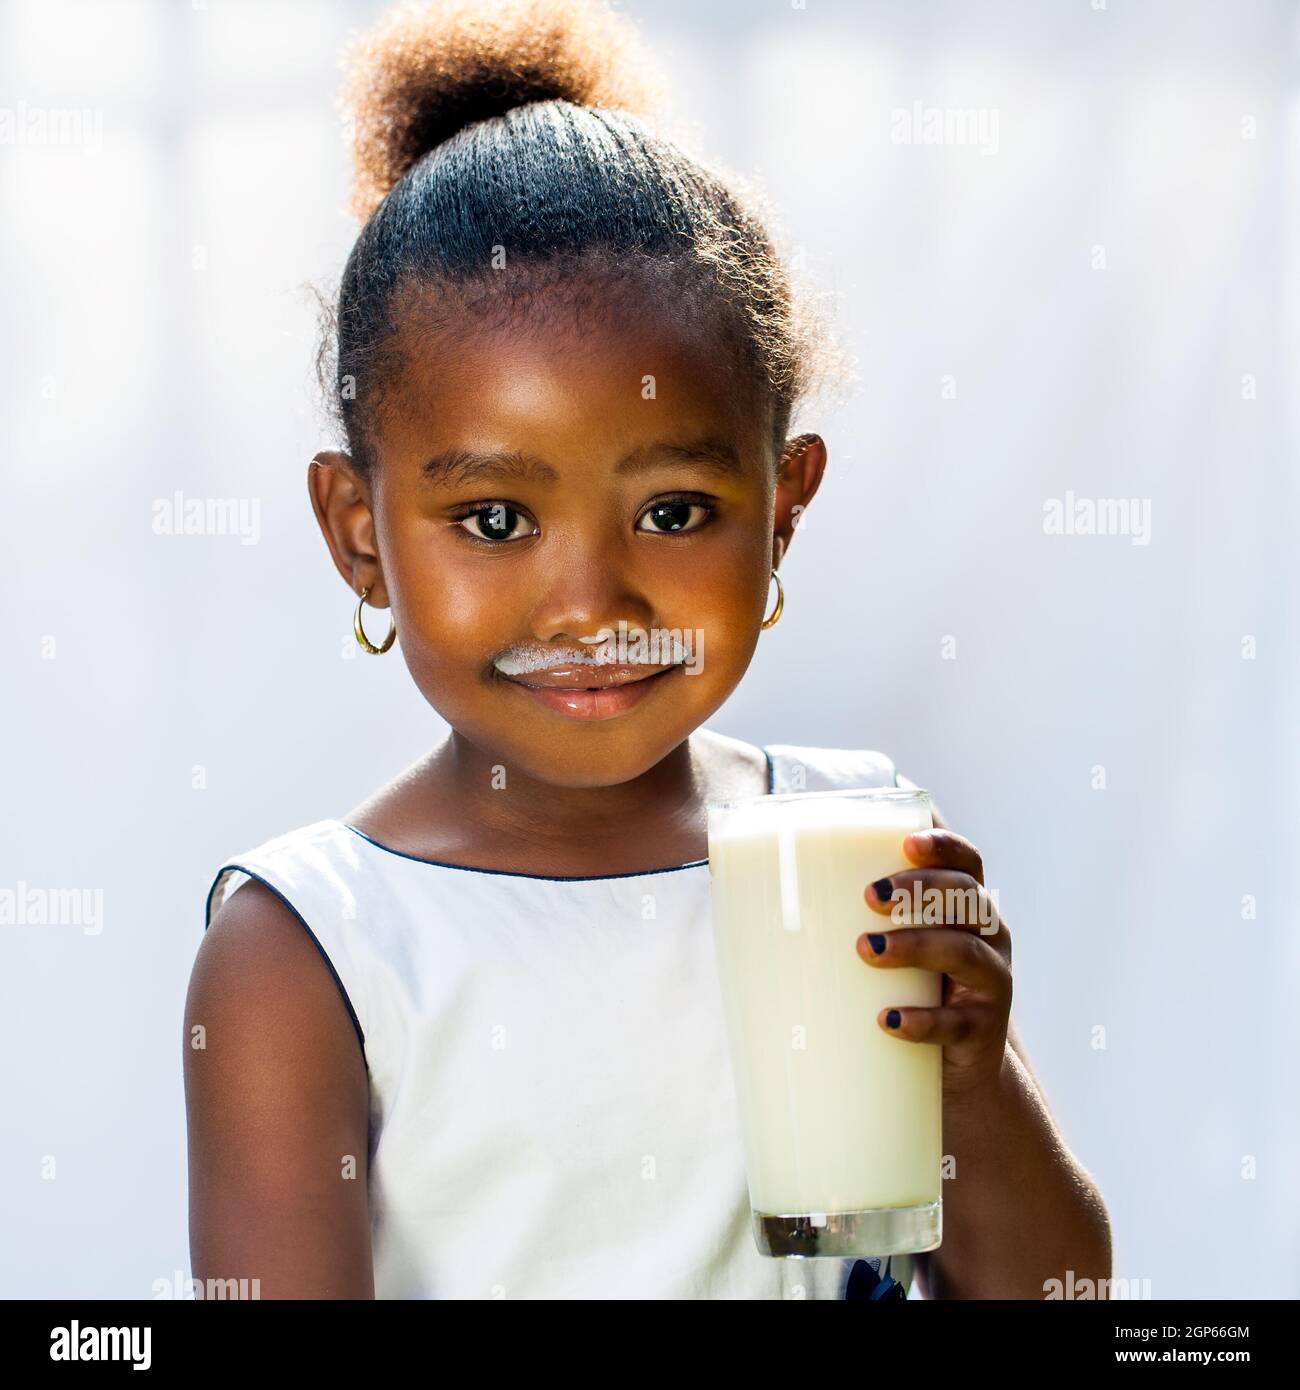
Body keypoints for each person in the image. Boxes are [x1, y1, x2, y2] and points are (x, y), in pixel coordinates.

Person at [183, 0, 1111, 1300]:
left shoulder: (847, 850)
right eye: (495, 518)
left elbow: (1061, 1295)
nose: (592, 599)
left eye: (674, 511)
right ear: (360, 535)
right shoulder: (314, 949)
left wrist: (973, 1072)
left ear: (781, 511)